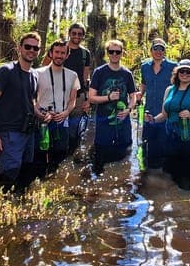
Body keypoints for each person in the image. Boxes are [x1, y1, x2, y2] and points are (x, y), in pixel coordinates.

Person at [0, 32, 42, 191]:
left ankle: (18, 208)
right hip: (9, 133)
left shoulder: (35, 75)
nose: (31, 50)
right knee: (8, 176)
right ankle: (0, 208)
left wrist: (40, 113)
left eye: (35, 48)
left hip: (28, 132)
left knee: (25, 173)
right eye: (28, 46)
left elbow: (31, 101)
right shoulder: (6, 71)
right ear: (19, 48)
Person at [150, 59, 190, 189]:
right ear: (177, 72)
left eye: (188, 71)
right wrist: (152, 120)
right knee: (171, 177)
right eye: (182, 71)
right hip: (172, 138)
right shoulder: (169, 90)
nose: (185, 74)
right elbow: (164, 115)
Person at [88, 39, 137, 173]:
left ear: (122, 53)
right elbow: (91, 97)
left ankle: (121, 180)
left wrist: (128, 109)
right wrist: (108, 97)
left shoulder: (127, 74)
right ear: (107, 53)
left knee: (125, 153)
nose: (114, 54)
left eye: (118, 52)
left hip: (123, 120)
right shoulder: (99, 72)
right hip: (104, 120)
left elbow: (133, 96)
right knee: (101, 154)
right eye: (111, 51)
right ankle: (98, 184)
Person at [34, 38, 80, 170]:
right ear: (51, 53)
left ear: (67, 55)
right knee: (40, 155)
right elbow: (31, 98)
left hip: (62, 120)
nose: (59, 55)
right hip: (43, 119)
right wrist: (40, 113)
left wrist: (65, 113)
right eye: (57, 52)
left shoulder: (72, 75)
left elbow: (73, 100)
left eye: (62, 53)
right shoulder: (37, 73)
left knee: (60, 155)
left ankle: (55, 182)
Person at [138, 38, 177, 169]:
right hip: (149, 111)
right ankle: (146, 173)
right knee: (147, 144)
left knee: (165, 145)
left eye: (162, 49)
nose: (159, 51)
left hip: (166, 113)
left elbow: (178, 86)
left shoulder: (173, 67)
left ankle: (165, 174)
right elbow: (143, 83)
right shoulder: (144, 67)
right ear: (151, 51)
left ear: (165, 51)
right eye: (156, 48)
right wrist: (139, 94)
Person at [59, 22, 93, 150]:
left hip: (78, 96)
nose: (76, 36)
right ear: (69, 34)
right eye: (74, 33)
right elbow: (45, 68)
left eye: (80, 34)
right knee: (59, 128)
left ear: (83, 36)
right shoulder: (60, 49)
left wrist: (87, 98)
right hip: (59, 95)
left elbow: (85, 77)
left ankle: (73, 154)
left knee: (75, 129)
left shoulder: (85, 53)